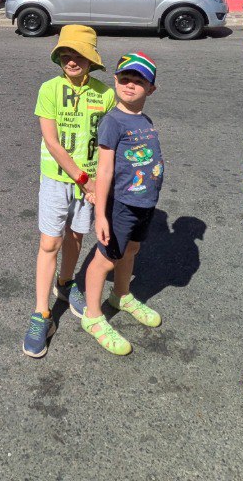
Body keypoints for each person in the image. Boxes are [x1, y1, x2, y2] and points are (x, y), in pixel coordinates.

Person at [23, 25, 116, 358]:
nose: (71, 60)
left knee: (76, 237)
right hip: (58, 178)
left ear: (91, 58)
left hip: (89, 182)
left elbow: (108, 145)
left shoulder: (105, 95)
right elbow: (52, 142)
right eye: (65, 53)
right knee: (50, 241)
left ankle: (64, 284)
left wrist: (100, 184)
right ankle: (41, 313)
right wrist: (84, 180)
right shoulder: (48, 89)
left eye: (78, 54)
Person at [74, 52, 165, 356]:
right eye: (124, 79)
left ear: (151, 89)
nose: (129, 85)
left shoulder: (145, 120)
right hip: (122, 204)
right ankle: (93, 315)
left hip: (144, 203)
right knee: (106, 259)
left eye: (138, 81)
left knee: (132, 250)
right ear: (115, 80)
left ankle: (121, 295)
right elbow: (105, 169)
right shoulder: (113, 121)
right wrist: (100, 214)